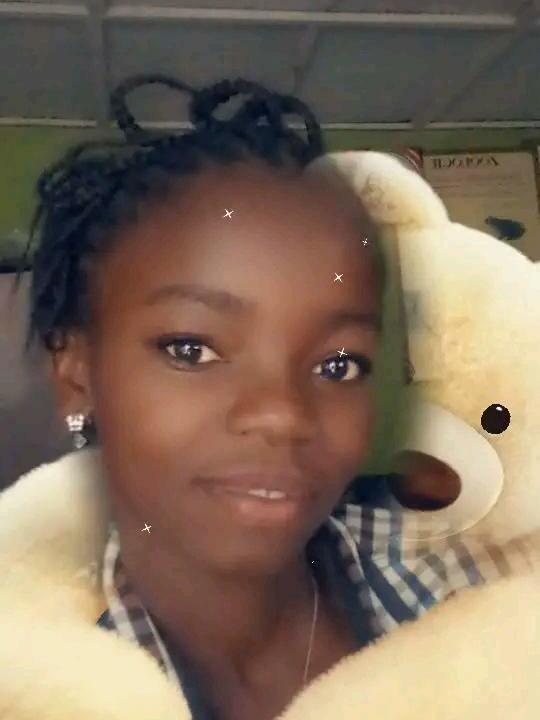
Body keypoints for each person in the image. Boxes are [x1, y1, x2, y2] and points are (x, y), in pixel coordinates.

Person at [3, 74, 489, 720]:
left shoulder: (465, 580)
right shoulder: (29, 677)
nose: (282, 414)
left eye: (338, 364)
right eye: (192, 349)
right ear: (78, 377)